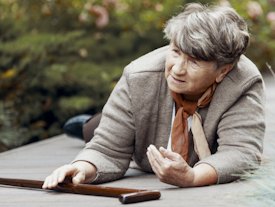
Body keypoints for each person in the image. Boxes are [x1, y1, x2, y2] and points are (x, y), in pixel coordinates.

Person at [42, 3, 265, 189]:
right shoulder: (139, 75)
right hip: (143, 122)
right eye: (176, 51)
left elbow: (241, 152)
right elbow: (107, 149)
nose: (177, 69)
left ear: (223, 70)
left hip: (181, 132)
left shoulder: (242, 82)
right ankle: (87, 125)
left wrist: (193, 177)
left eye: (194, 61)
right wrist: (81, 167)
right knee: (95, 130)